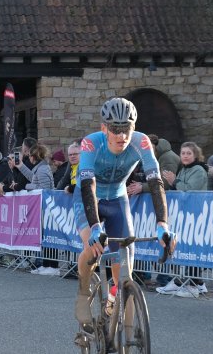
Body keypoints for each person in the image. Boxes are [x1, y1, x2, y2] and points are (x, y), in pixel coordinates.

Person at [73, 97, 175, 326]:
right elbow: (88, 186)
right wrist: (95, 226)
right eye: (115, 129)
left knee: (125, 265)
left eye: (126, 129)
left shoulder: (142, 142)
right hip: (90, 197)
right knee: (92, 247)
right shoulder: (91, 143)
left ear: (134, 127)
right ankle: (83, 292)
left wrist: (162, 224)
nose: (122, 136)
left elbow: (156, 182)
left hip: (118, 198)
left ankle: (116, 303)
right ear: (104, 129)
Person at [156, 142, 208, 296]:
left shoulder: (199, 170)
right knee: (181, 247)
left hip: (196, 214)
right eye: (183, 153)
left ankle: (192, 286)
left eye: (188, 153)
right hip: (184, 214)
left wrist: (174, 181)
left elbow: (189, 189)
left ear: (195, 155)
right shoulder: (183, 169)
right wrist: (173, 183)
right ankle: (190, 282)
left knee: (192, 248)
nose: (185, 156)